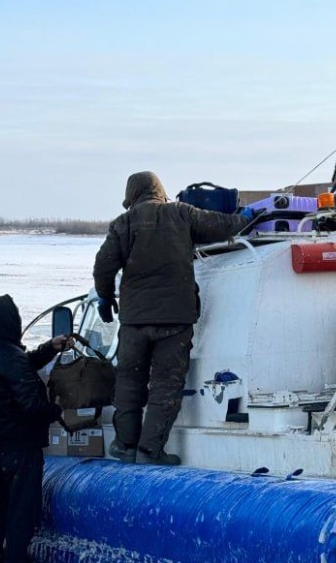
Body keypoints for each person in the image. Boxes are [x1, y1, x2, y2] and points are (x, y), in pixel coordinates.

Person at [92, 171, 249, 465]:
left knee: (128, 381)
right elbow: (222, 226)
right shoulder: (181, 214)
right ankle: (151, 450)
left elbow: (103, 267)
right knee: (166, 384)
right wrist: (249, 217)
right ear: (160, 190)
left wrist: (104, 296)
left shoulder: (122, 225)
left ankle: (124, 445)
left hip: (134, 322)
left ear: (132, 196)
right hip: (174, 320)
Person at [0, 295, 71, 563]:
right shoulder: (9, 355)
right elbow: (29, 404)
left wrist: (46, 350)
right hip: (18, 445)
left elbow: (15, 368)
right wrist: (58, 411)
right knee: (21, 508)